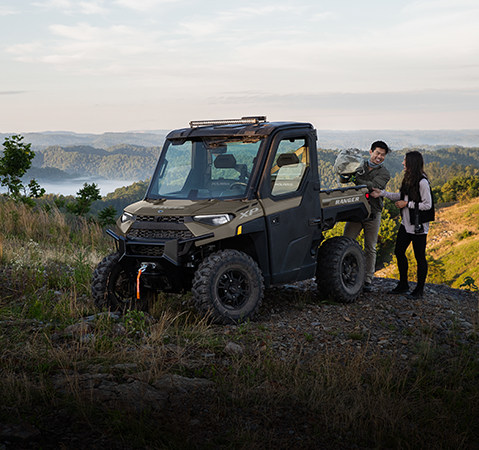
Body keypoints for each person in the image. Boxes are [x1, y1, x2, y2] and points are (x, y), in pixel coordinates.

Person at [370, 151, 434, 298]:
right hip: (406, 224)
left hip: (418, 227)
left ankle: (419, 290)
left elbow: (427, 205)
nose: (402, 163)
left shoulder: (422, 182)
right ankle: (403, 285)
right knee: (399, 252)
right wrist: (382, 193)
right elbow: (401, 196)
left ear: (411, 163)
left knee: (420, 257)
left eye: (405, 161)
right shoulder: (408, 179)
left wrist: (407, 204)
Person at [344, 141, 391, 292]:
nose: (379, 157)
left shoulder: (384, 173)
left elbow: (374, 188)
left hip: (373, 212)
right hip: (355, 210)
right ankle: (345, 273)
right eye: (377, 153)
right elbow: (344, 178)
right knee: (347, 242)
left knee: (370, 247)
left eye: (383, 155)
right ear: (370, 152)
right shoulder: (359, 165)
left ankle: (367, 280)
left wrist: (355, 180)